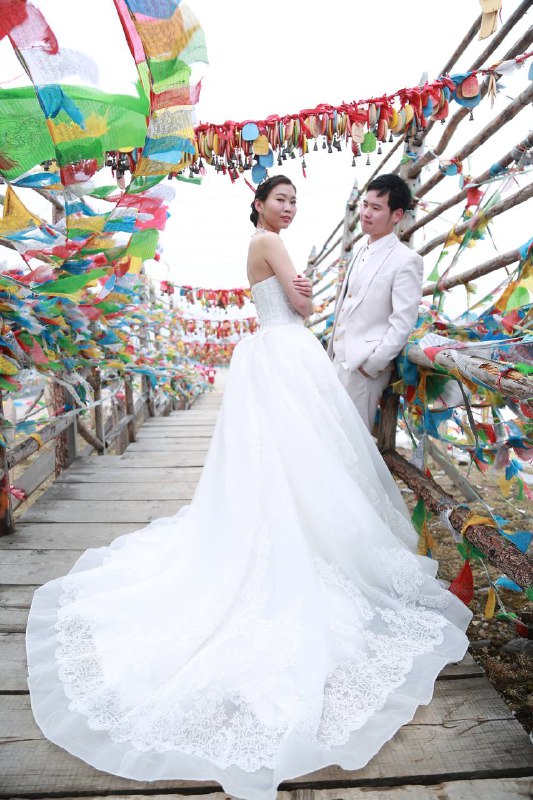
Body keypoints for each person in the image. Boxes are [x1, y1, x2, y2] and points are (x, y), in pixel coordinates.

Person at [26, 175, 471, 800]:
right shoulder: (270, 242)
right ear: (259, 204)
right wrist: (303, 291)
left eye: (295, 201)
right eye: (280, 200)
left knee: (287, 458)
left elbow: (306, 300)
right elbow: (304, 308)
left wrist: (302, 292)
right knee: (306, 456)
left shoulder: (269, 244)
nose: (289, 208)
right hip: (288, 351)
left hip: (276, 353)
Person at [327, 174, 424, 432]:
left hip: (363, 370)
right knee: (329, 438)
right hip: (337, 362)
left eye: (376, 208)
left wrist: (372, 365)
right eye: (365, 205)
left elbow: (403, 322)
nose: (366, 213)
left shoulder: (406, 260)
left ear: (397, 215)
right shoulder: (361, 251)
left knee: (352, 442)